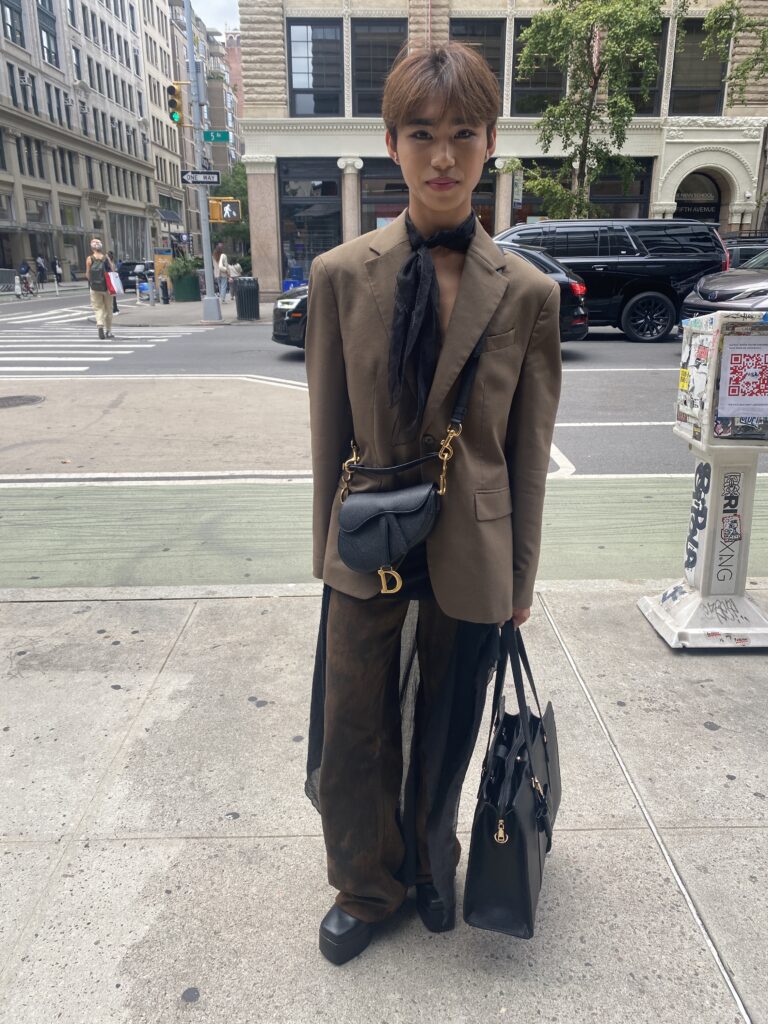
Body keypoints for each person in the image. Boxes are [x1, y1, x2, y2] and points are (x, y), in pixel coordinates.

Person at [304, 42, 562, 966]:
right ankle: (363, 885)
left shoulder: (527, 291)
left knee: (447, 720)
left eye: (462, 135)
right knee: (355, 728)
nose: (443, 157)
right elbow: (327, 432)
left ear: (491, 142)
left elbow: (527, 450)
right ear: (390, 143)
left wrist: (521, 574)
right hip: (369, 533)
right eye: (423, 135)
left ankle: (427, 864)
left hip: (472, 541)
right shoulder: (340, 276)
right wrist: (325, 556)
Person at [85, 239, 114, 339]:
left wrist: (92, 282)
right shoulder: (105, 258)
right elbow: (112, 270)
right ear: (101, 247)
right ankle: (109, 331)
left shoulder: (89, 259)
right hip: (106, 287)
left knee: (98, 308)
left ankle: (100, 324)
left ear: (92, 248)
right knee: (108, 308)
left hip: (95, 288)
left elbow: (88, 274)